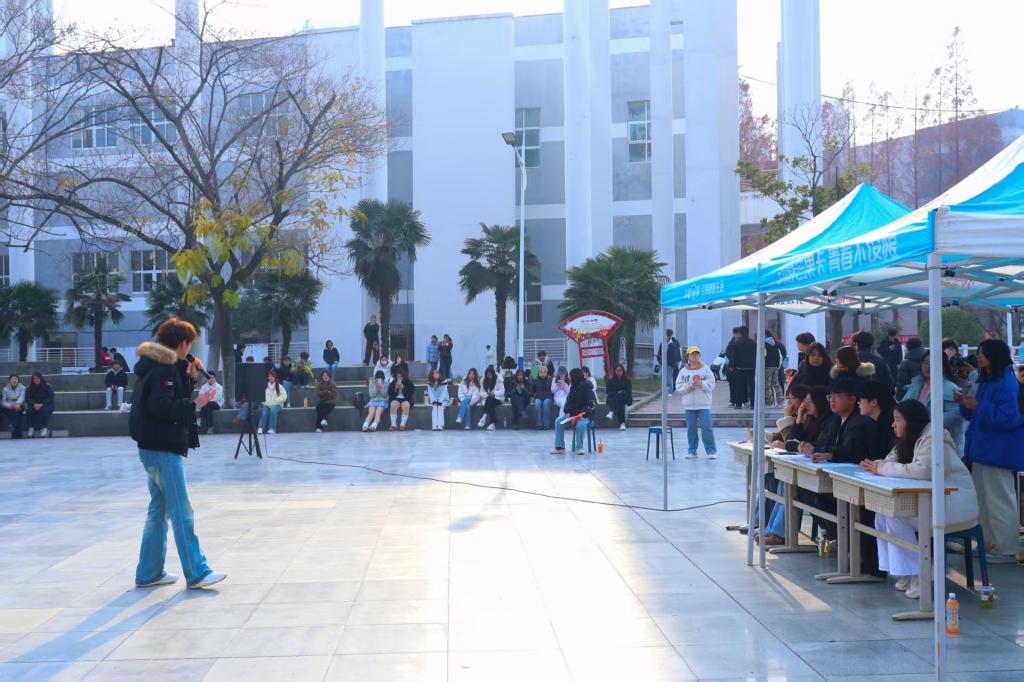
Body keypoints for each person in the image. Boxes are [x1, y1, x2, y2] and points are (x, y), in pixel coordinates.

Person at [129, 317, 225, 590]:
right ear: (182, 344)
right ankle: (197, 572)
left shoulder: (158, 366)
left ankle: (149, 572)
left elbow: (169, 398)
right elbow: (163, 407)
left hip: (151, 447)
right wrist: (197, 403)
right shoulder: (163, 369)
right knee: (181, 510)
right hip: (162, 449)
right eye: (190, 344)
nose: (190, 349)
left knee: (159, 511)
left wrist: (190, 379)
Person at [860, 399, 978, 599]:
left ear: (912, 422)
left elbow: (923, 471)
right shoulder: (907, 439)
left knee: (896, 518)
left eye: (898, 420)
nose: (893, 424)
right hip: (931, 503)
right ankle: (904, 571)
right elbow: (889, 461)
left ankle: (920, 575)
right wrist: (876, 465)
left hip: (954, 504)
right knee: (882, 514)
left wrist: (882, 468)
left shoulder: (934, 440)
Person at [955, 339, 1024, 562]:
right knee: (983, 502)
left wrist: (977, 406)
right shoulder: (988, 380)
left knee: (999, 502)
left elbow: (1009, 419)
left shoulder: (1007, 383)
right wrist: (966, 403)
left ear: (994, 356)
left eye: (983, 353)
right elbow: (980, 413)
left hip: (999, 452)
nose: (979, 356)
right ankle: (988, 543)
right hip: (982, 449)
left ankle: (1005, 549)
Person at [759, 386, 831, 546]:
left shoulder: (826, 421)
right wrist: (797, 419)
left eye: (793, 399)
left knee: (786, 484)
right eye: (788, 399)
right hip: (803, 463)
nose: (789, 403)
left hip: (818, 469)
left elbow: (793, 442)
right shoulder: (807, 419)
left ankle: (779, 533)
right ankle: (766, 526)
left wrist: (789, 419)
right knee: (772, 478)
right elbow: (793, 440)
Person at [901, 350, 965, 449]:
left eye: (932, 363)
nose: (928, 366)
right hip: (916, 440)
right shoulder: (915, 384)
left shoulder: (951, 388)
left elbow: (956, 415)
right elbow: (903, 406)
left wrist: (927, 422)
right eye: (926, 362)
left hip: (943, 445)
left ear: (943, 367)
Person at [676, 346, 716, 459]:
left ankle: (711, 451)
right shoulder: (683, 371)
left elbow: (712, 384)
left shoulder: (706, 369)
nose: (695, 356)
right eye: (692, 354)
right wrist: (688, 387)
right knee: (691, 429)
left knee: (706, 428)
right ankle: (692, 451)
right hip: (689, 405)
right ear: (688, 356)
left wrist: (702, 384)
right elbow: (678, 386)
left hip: (704, 404)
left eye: (697, 354)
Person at [551, 367, 596, 456]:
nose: (569, 378)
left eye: (570, 376)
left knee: (581, 425)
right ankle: (559, 447)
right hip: (573, 414)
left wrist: (581, 414)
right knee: (558, 421)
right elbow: (568, 402)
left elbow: (591, 405)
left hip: (585, 415)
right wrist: (567, 411)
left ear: (575, 377)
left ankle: (580, 447)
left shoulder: (587, 388)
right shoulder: (573, 387)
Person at [725, 326, 756, 408]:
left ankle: (738, 404)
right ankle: (753, 404)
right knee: (752, 386)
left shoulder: (737, 343)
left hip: (740, 369)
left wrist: (732, 365)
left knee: (739, 386)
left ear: (741, 333)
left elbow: (733, 356)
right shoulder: (753, 343)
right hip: (751, 368)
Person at [24, 372, 54, 438]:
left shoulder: (47, 387)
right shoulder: (29, 388)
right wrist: (34, 404)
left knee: (44, 410)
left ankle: (44, 428)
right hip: (33, 405)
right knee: (30, 410)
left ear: (41, 378)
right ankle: (31, 428)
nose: (36, 380)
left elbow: (50, 397)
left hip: (46, 404)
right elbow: (27, 399)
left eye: (37, 378)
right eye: (34, 378)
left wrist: (42, 404)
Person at [605, 363, 633, 430]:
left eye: (620, 370)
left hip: (625, 398)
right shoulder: (610, 381)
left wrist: (621, 393)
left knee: (620, 398)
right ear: (615, 371)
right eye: (617, 370)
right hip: (612, 398)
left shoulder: (627, 381)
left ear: (623, 371)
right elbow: (608, 391)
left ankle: (612, 411)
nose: (619, 372)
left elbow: (628, 391)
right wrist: (617, 393)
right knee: (619, 401)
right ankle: (622, 423)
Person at [657, 329, 683, 395]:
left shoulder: (674, 343)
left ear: (669, 336)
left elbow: (678, 354)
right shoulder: (662, 343)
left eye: (667, 336)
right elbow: (659, 353)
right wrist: (660, 361)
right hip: (663, 363)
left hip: (671, 364)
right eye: (665, 336)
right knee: (660, 375)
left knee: (669, 377)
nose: (665, 337)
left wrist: (676, 363)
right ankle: (665, 389)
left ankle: (670, 392)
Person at [197, 370, 223, 435]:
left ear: (215, 378)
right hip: (206, 405)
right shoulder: (204, 386)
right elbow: (201, 395)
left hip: (216, 404)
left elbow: (216, 398)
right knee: (207, 409)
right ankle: (210, 427)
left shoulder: (219, 387)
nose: (210, 379)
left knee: (208, 404)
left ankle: (200, 417)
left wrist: (206, 398)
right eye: (208, 378)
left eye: (212, 378)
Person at [764, 329, 784, 408]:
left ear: (765, 335)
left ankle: (770, 403)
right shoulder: (776, 343)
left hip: (768, 366)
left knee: (767, 385)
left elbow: (763, 355)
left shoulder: (764, 344)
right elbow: (782, 353)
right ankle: (780, 401)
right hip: (776, 366)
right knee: (776, 383)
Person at [532, 365, 554, 429]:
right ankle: (539, 424)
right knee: (537, 404)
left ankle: (546, 424)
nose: (543, 375)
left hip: (548, 397)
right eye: (541, 373)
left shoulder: (550, 380)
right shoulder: (535, 380)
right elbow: (533, 390)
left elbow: (552, 390)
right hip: (538, 397)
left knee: (546, 403)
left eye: (544, 373)